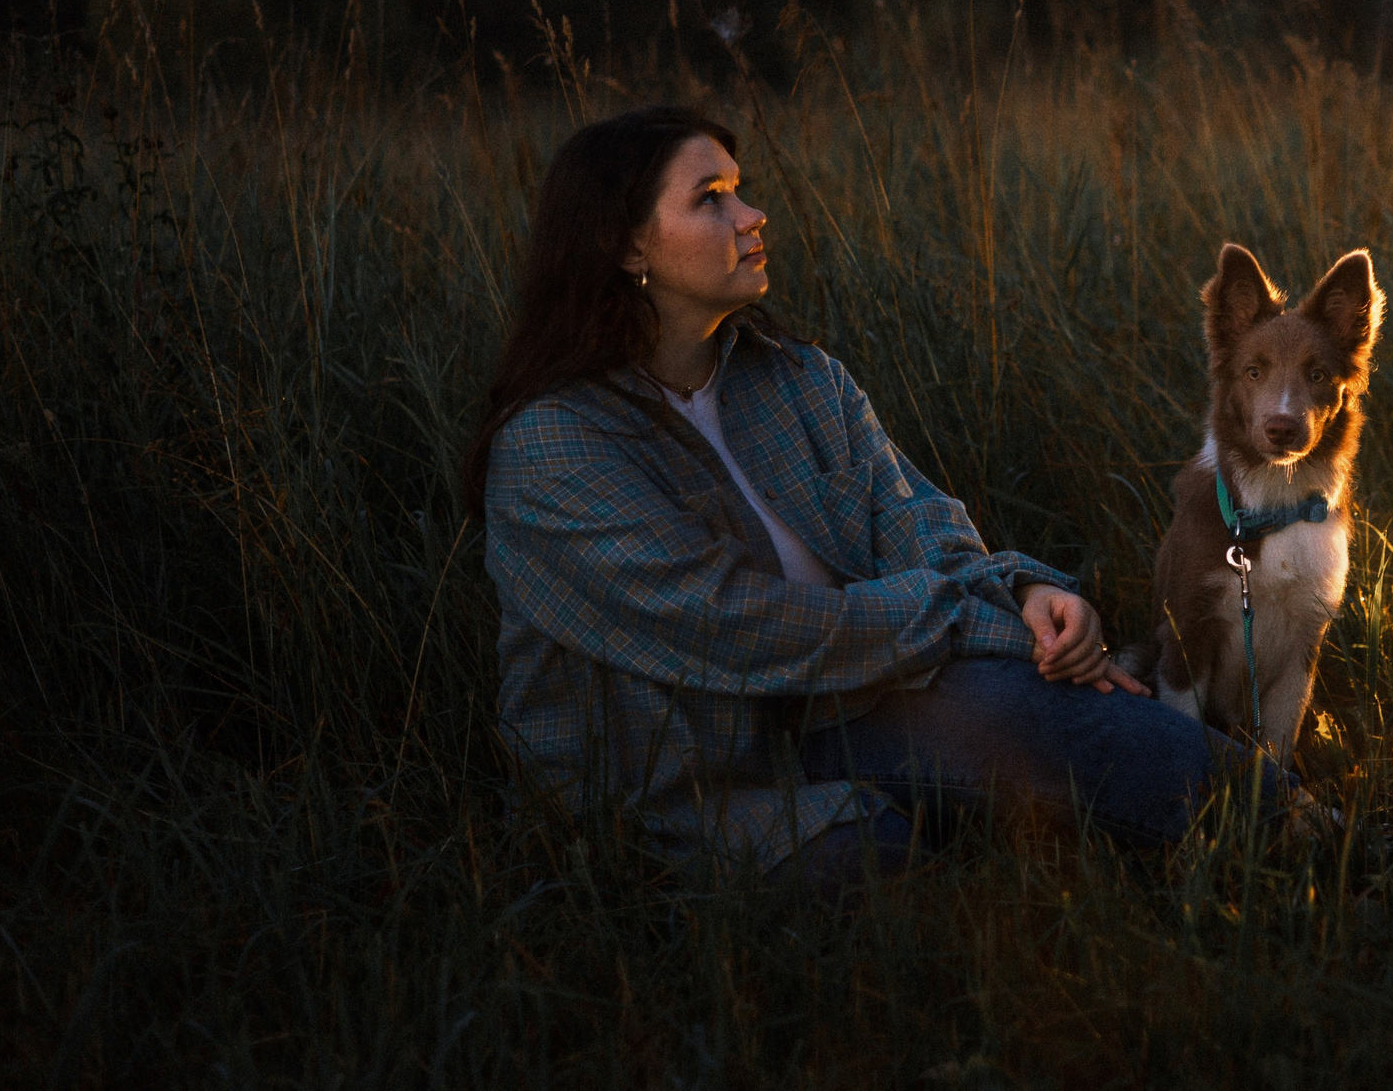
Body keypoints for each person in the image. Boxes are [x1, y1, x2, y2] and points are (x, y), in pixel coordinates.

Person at [464, 106, 1282, 887]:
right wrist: (959, 617)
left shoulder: (796, 378)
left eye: (741, 189)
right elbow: (723, 625)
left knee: (1044, 707)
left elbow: (919, 522)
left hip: (847, 701)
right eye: (711, 200)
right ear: (625, 245)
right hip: (684, 776)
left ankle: (1313, 835)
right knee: (880, 858)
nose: (753, 215)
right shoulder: (555, 442)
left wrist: (1026, 593)